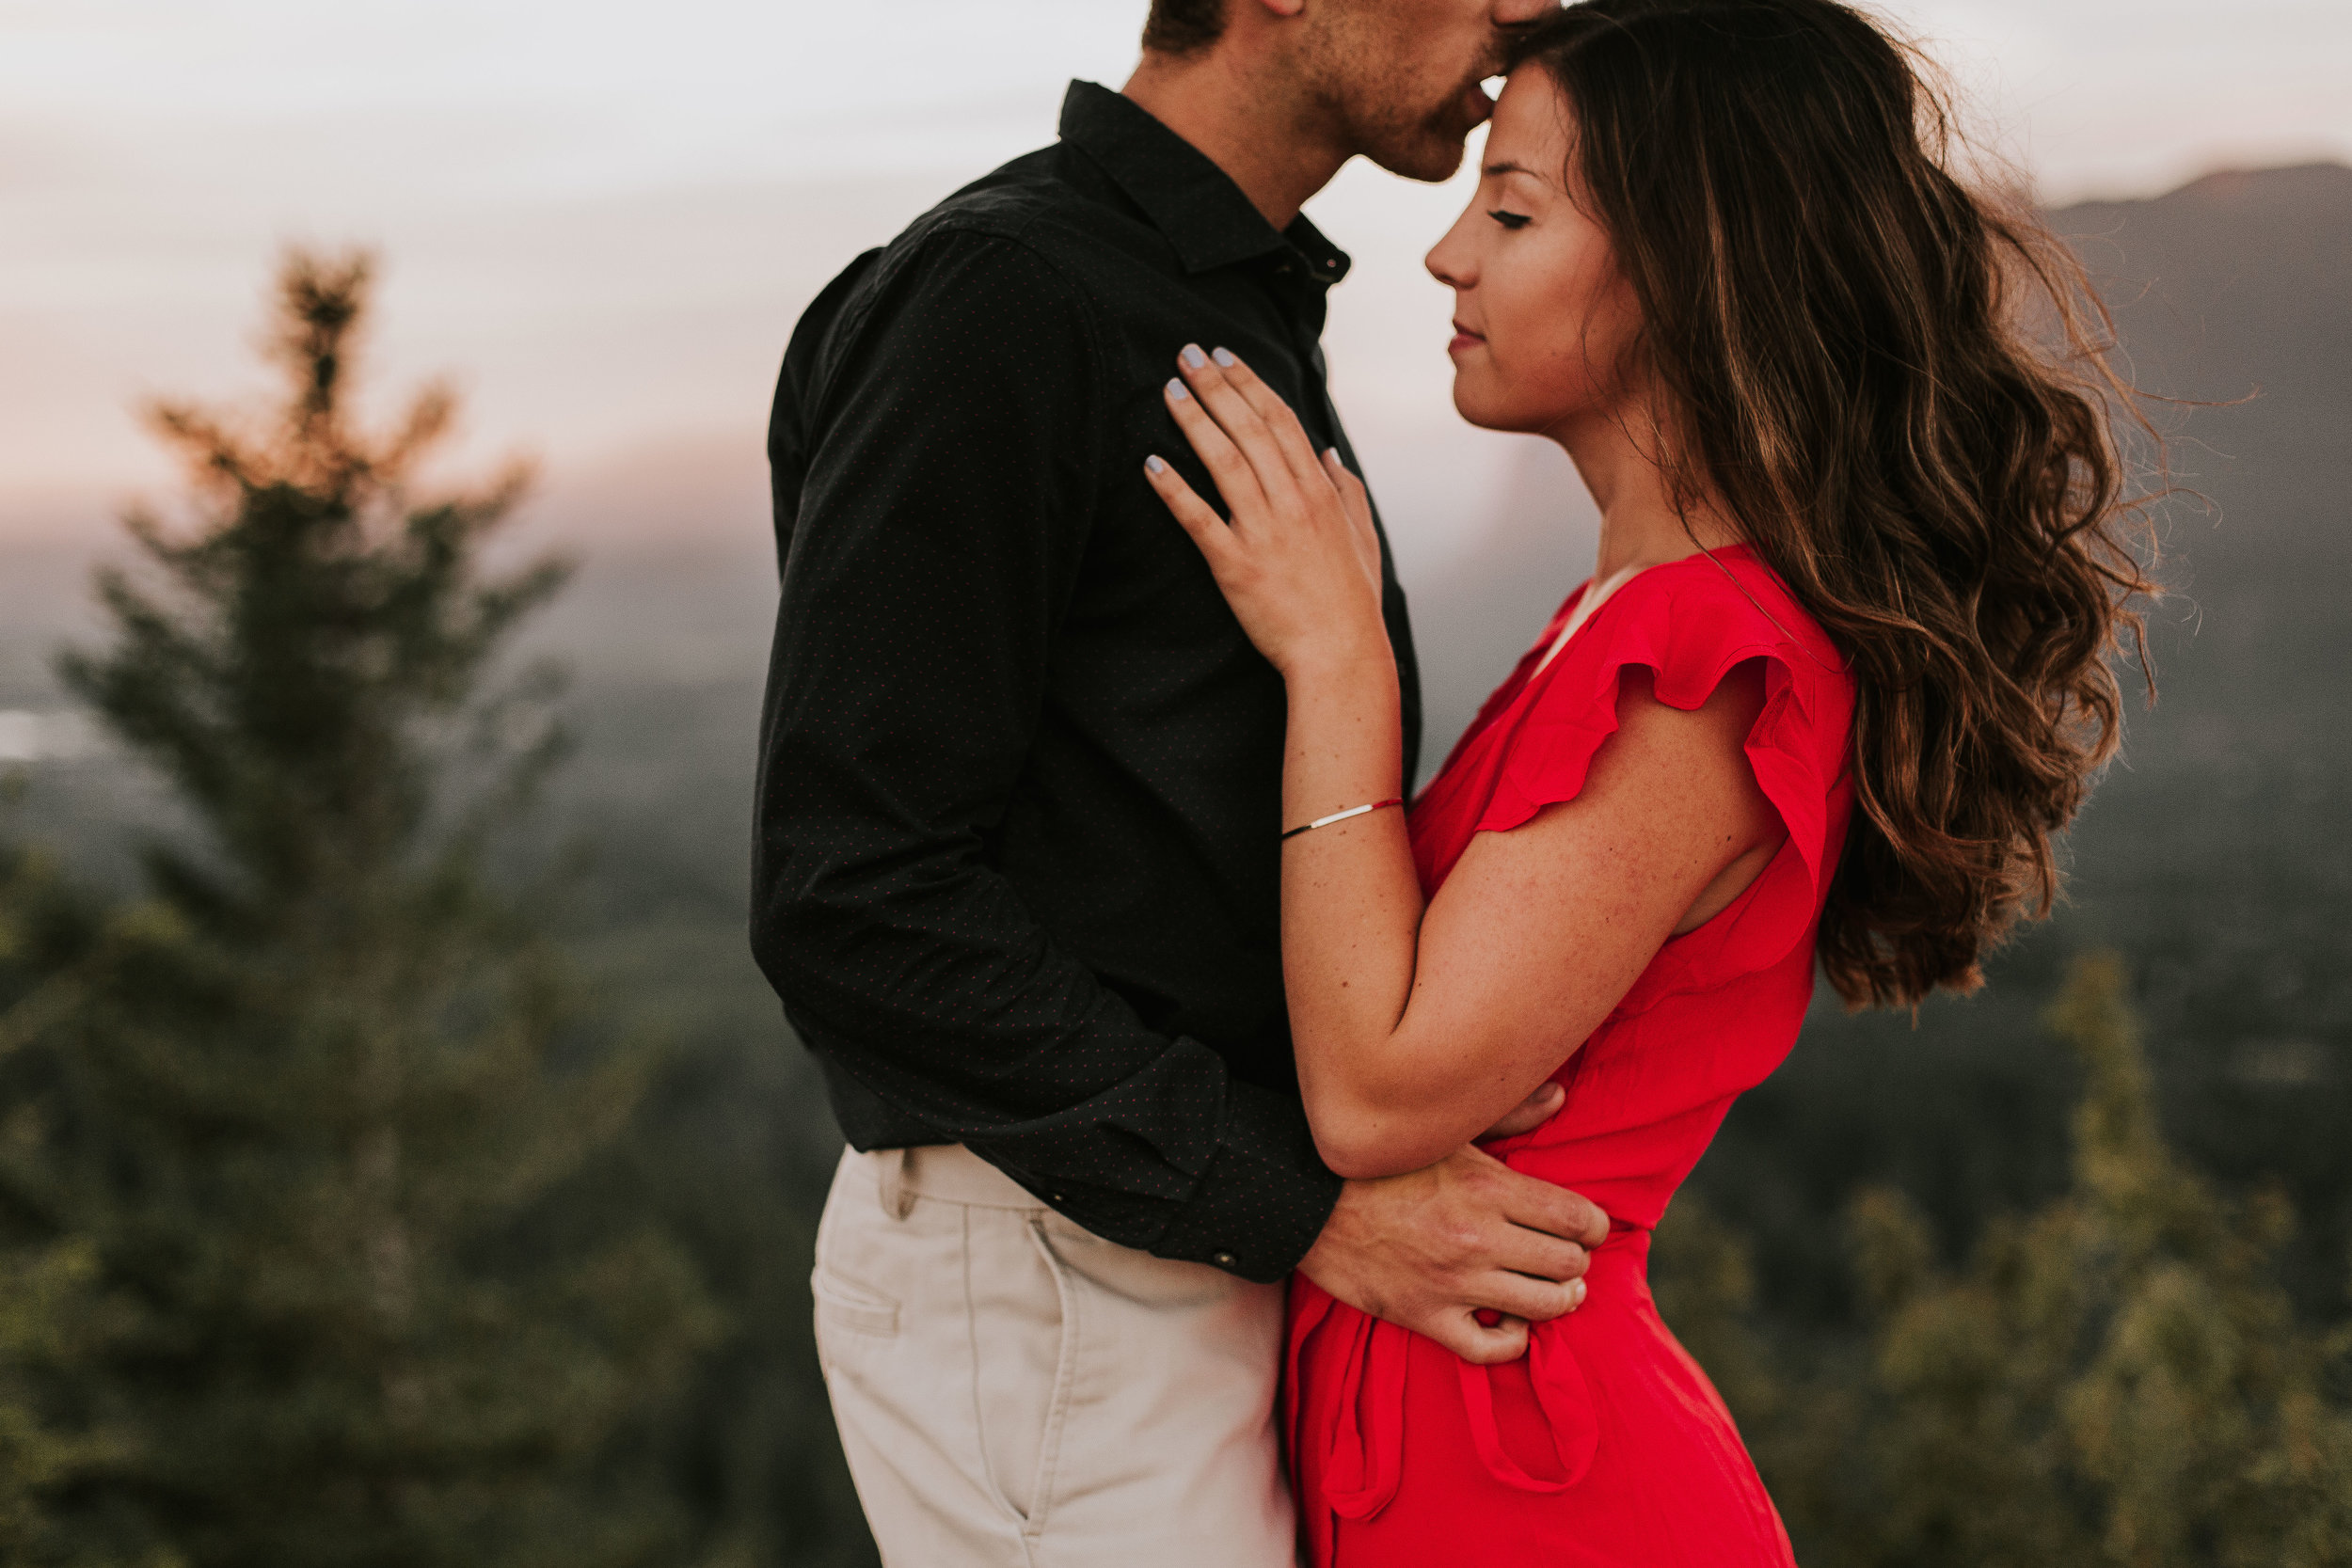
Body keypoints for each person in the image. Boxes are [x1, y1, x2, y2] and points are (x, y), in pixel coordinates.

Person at [1137, 0, 2157, 1561]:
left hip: (1533, 1483)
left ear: (1692, 266)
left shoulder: (1703, 662)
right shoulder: (1621, 622)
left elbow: (1375, 1091)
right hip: (1455, 1436)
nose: (1446, 256)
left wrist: (1336, 658)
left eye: (1515, 208)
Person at [754, 3, 1611, 1564]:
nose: (1526, 9)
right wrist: (1306, 1204)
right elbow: (848, 889)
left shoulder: (1217, 301)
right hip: (1059, 1277)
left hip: (1176, 1255)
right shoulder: (1006, 296)